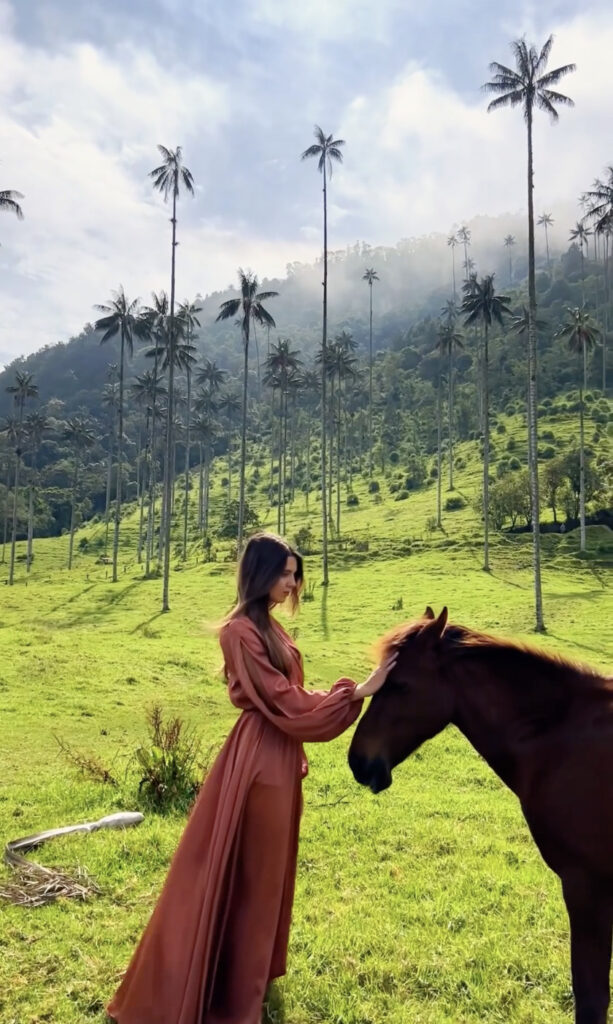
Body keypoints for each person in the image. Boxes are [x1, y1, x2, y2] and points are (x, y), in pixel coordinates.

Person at [107, 531, 395, 1024]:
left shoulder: (269, 627)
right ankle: (229, 995)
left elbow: (289, 696)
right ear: (259, 573)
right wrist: (357, 692)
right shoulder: (239, 630)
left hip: (276, 753)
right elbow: (284, 700)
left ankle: (246, 980)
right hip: (261, 759)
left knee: (265, 875)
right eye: (284, 572)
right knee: (253, 876)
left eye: (294, 572)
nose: (292, 581)